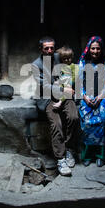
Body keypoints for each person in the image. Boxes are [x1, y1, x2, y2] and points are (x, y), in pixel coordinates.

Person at [32, 37, 78, 176]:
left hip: (64, 95)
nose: (50, 50)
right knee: (56, 123)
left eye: (52, 47)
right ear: (41, 49)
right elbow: (45, 86)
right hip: (47, 98)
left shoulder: (59, 57)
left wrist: (69, 86)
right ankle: (60, 158)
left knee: (73, 116)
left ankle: (69, 149)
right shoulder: (36, 65)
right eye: (46, 48)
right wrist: (64, 90)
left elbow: (71, 69)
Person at [78, 36, 105, 167]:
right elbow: (79, 83)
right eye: (93, 48)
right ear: (88, 49)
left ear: (101, 49)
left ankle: (101, 156)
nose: (95, 51)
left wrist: (101, 95)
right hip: (86, 96)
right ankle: (87, 156)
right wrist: (85, 97)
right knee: (87, 122)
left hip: (102, 96)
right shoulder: (83, 63)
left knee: (102, 119)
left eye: (97, 48)